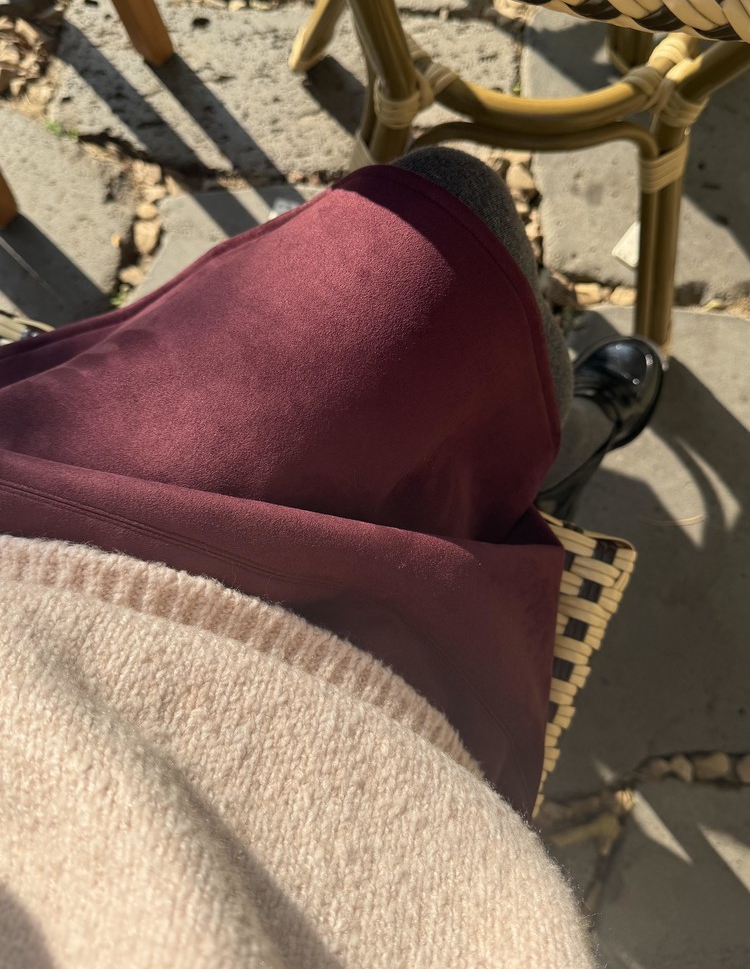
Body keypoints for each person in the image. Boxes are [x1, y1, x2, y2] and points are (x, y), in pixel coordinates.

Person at [0, 148, 662, 968]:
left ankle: (541, 456)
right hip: (359, 782)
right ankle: (560, 449)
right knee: (442, 245)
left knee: (419, 249)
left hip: (42, 550)